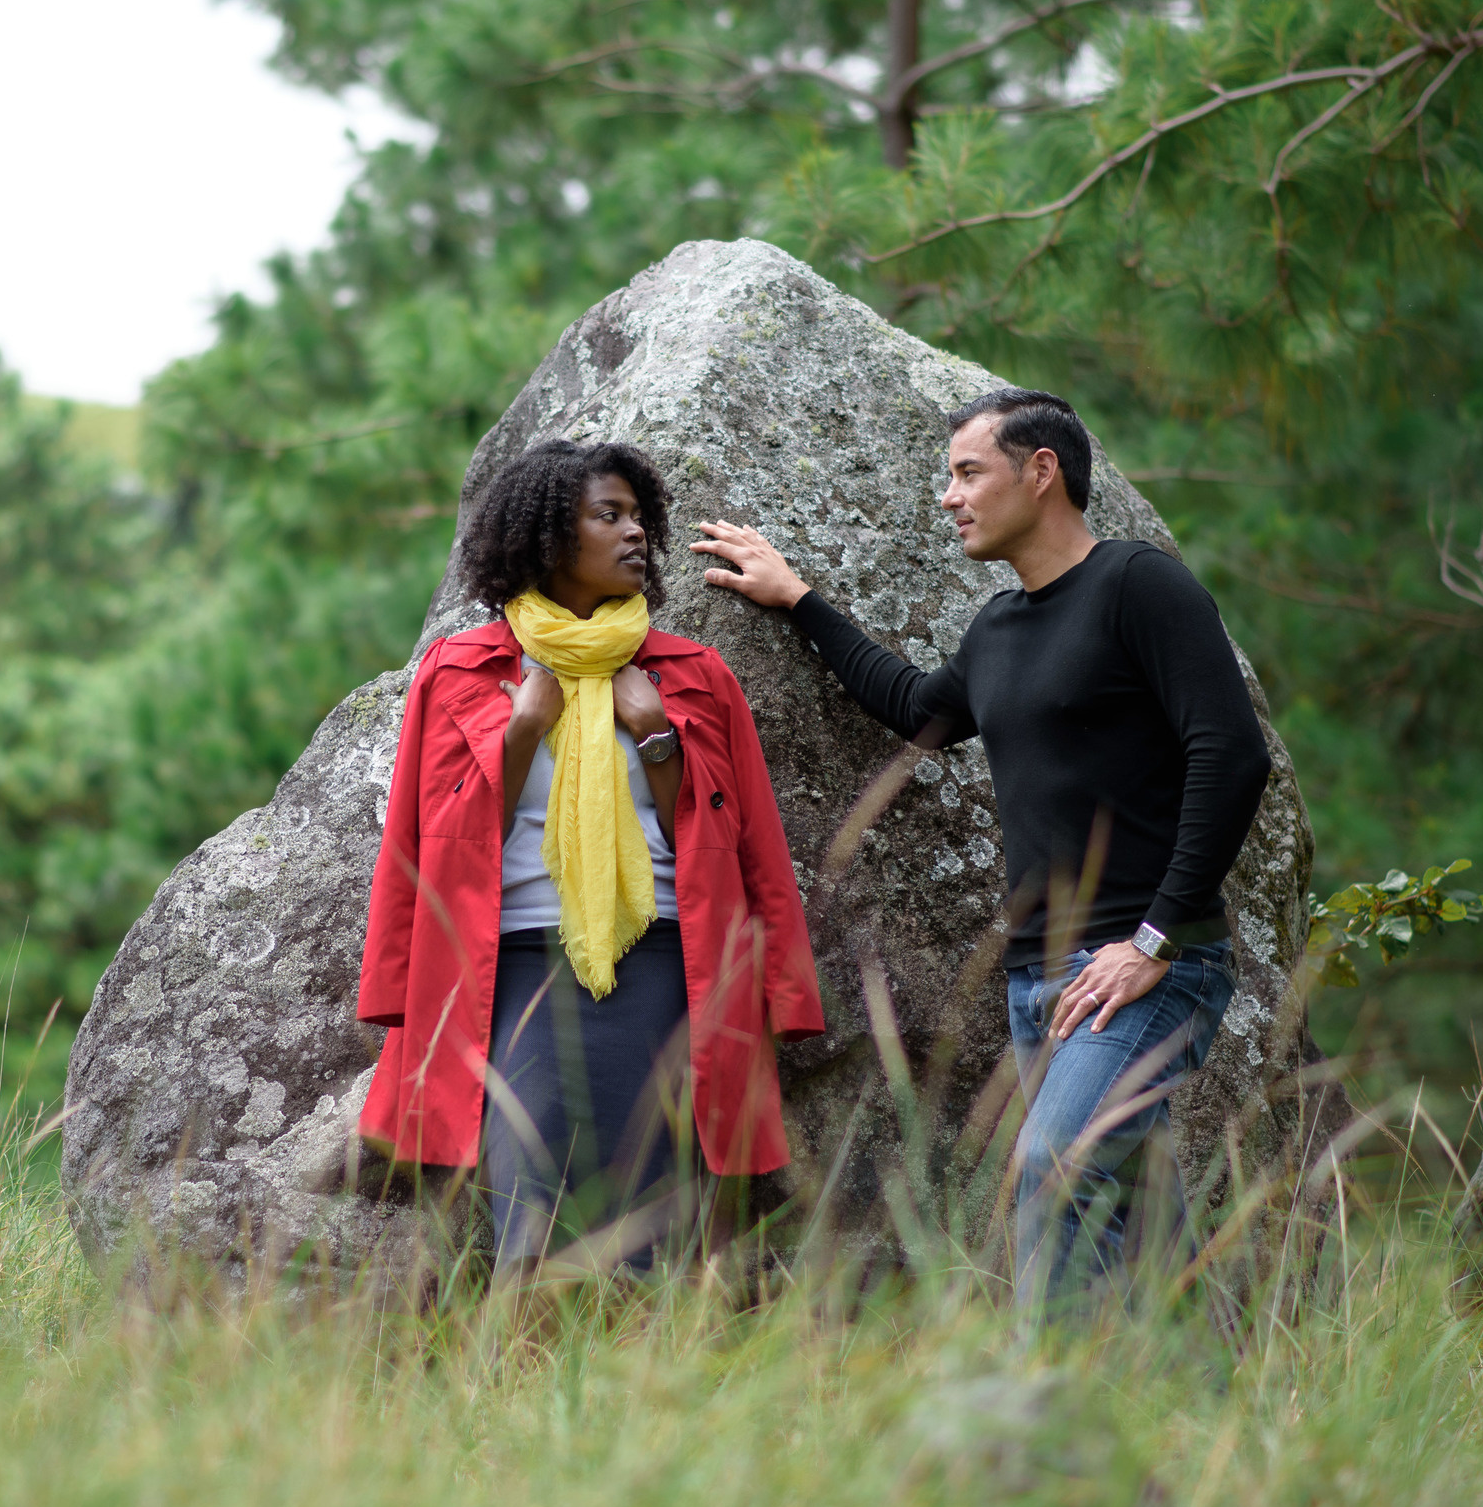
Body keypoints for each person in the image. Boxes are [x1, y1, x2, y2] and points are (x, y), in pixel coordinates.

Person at [690, 389, 1272, 1311]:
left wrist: (1155, 940)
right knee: (1130, 1206)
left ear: (1042, 472)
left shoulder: (1138, 586)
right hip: (1040, 977)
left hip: (1149, 965)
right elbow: (917, 707)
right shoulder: (1000, 628)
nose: (950, 497)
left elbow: (1232, 756)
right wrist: (798, 598)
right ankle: (1223, 1410)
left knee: (1051, 1167)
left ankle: (1034, 1429)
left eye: (969, 473)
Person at [357, 438, 824, 1279]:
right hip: (513, 970)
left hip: (665, 967)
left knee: (654, 1221)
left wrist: (654, 737)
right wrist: (524, 728)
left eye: (639, 515)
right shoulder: (461, 671)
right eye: (608, 515)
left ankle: (648, 1388)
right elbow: (426, 845)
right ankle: (523, 1384)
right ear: (546, 538)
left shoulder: (694, 675)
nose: (635, 532)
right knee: (530, 1212)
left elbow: (750, 846)